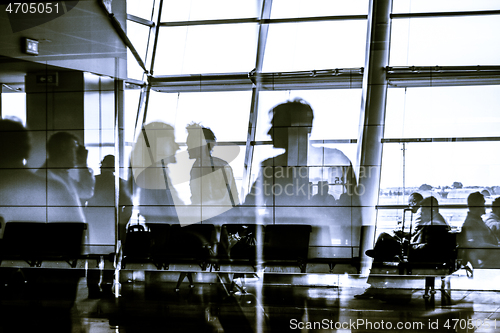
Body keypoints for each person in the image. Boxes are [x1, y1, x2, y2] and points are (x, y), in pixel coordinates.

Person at [0, 119, 85, 233]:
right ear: (27, 150)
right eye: (74, 149)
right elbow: (76, 236)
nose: (76, 155)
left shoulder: (55, 185)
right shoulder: (52, 188)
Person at [131, 121, 182, 224]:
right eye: (172, 141)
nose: (177, 146)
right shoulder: (156, 177)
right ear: (158, 146)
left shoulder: (152, 175)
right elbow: (176, 214)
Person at [36, 131, 95, 212]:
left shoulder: (62, 175)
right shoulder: (45, 177)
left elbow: (86, 192)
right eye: (74, 149)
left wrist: (82, 164)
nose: (77, 154)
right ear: (63, 147)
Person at [186, 123, 239, 208]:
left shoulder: (203, 167)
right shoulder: (220, 164)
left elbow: (206, 200)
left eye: (189, 144)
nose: (187, 149)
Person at [364, 192, 423, 261]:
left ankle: (377, 254)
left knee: (383, 236)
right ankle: (378, 254)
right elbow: (416, 232)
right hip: (413, 245)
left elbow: (413, 235)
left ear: (414, 202)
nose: (409, 206)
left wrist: (402, 234)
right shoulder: (423, 213)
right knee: (387, 239)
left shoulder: (420, 215)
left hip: (409, 246)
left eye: (409, 204)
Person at [86, 154, 133, 241]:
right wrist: (121, 223)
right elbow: (128, 207)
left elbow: (84, 201)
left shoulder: (92, 181)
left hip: (95, 222)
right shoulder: (122, 183)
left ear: (102, 166)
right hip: (113, 222)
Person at [458, 192, 499, 268]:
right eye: (483, 203)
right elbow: (478, 246)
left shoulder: (477, 221)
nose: (485, 206)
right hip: (487, 264)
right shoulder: (471, 223)